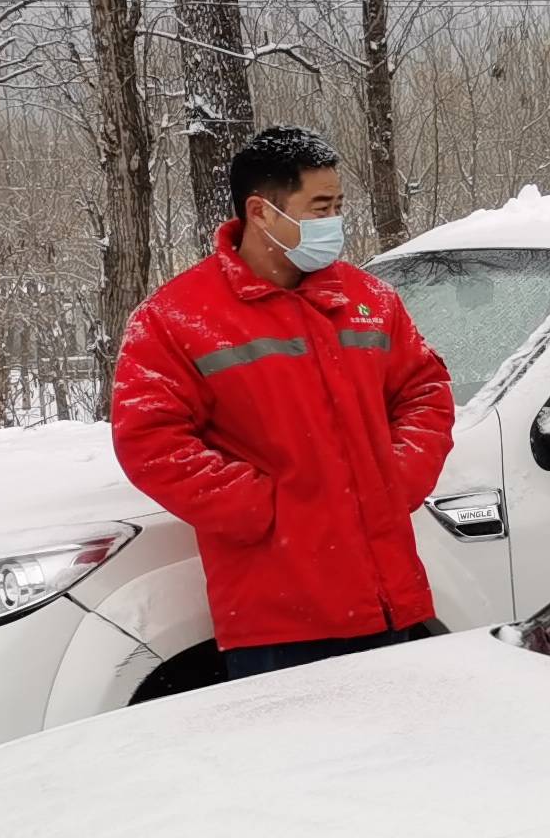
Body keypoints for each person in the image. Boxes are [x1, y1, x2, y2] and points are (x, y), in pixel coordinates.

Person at [111, 124, 455, 679]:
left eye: (339, 205)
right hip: (279, 622)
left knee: (401, 757)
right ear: (262, 212)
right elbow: (149, 440)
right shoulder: (176, 318)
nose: (336, 222)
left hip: (390, 599)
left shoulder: (369, 300)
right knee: (302, 765)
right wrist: (266, 511)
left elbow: (425, 391)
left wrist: (398, 476)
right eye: (320, 207)